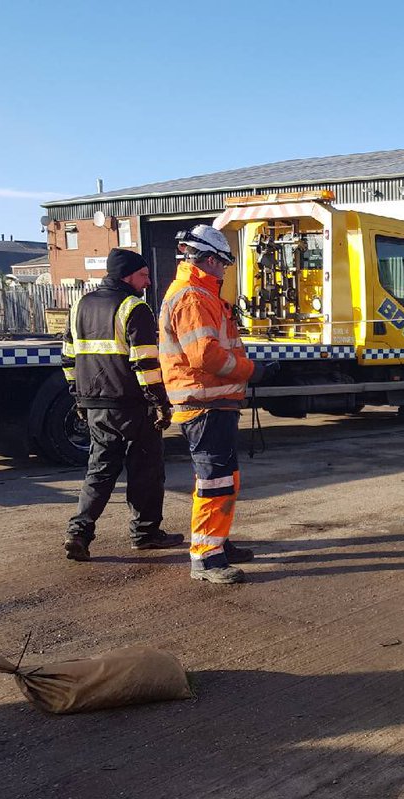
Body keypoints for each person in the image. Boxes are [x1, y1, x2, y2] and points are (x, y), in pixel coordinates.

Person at [159, 225, 276, 584]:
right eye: (223, 263)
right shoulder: (194, 297)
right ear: (210, 260)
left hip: (212, 401)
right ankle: (207, 559)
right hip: (204, 401)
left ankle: (218, 544)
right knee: (214, 481)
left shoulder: (199, 293)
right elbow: (205, 356)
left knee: (224, 478)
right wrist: (252, 370)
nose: (224, 270)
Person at [62, 249, 182, 561]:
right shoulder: (134, 307)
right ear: (127, 276)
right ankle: (145, 534)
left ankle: (79, 532)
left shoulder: (80, 305)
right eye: (144, 275)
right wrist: (160, 403)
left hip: (95, 405)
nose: (148, 282)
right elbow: (146, 363)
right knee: (146, 469)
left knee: (100, 470)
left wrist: (78, 396)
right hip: (132, 405)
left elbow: (68, 358)